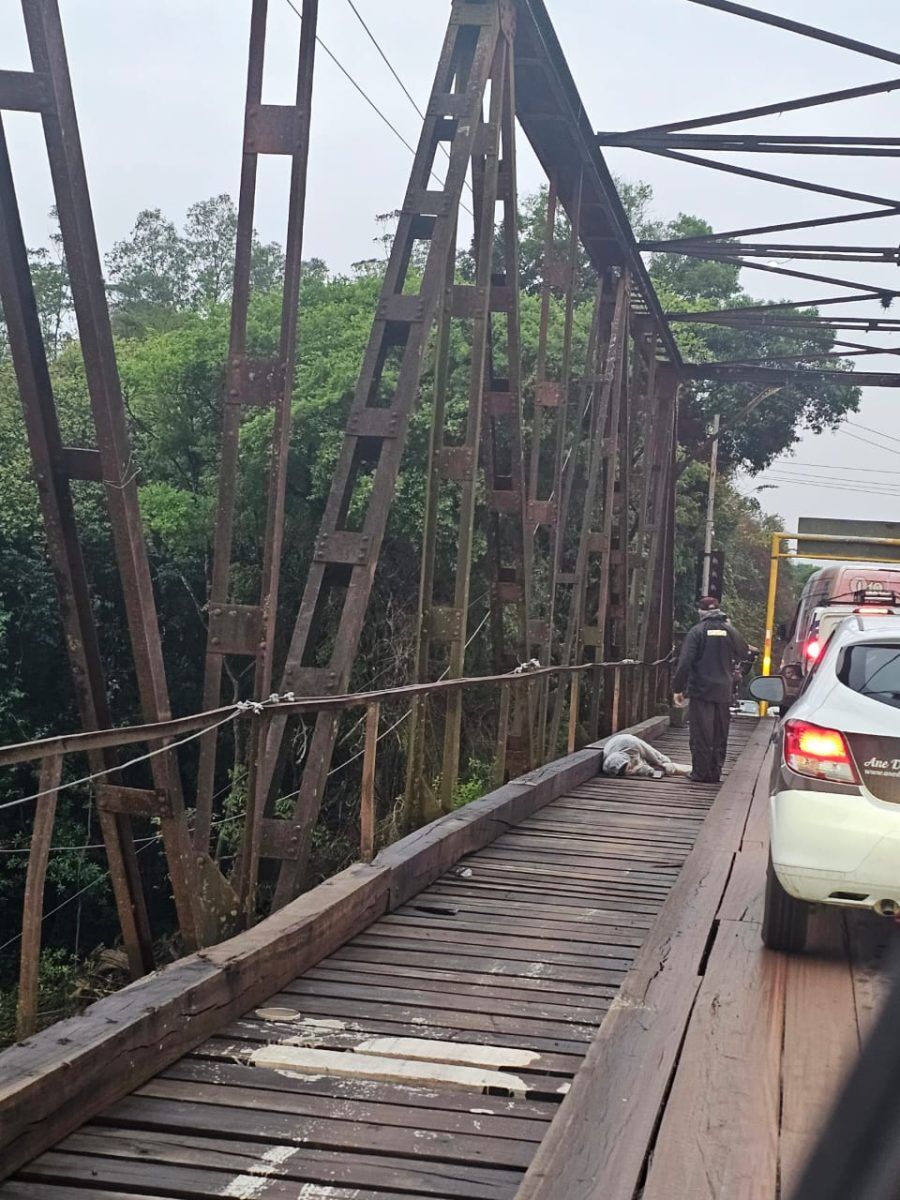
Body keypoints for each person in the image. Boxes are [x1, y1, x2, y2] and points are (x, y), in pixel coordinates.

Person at [672, 595, 750, 784]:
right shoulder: (729, 631)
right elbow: (744, 652)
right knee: (719, 733)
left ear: (701, 612)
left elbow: (685, 663)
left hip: (701, 691)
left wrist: (678, 688)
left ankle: (700, 773)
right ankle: (715, 773)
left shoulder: (697, 632)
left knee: (701, 733)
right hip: (723, 691)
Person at [601, 732, 692, 780]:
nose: (631, 771)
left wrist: (661, 763)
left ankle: (673, 766)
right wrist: (649, 771)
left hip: (630, 742)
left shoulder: (631, 746)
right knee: (645, 768)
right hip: (616, 750)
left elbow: (649, 754)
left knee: (659, 759)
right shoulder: (608, 767)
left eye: (629, 767)